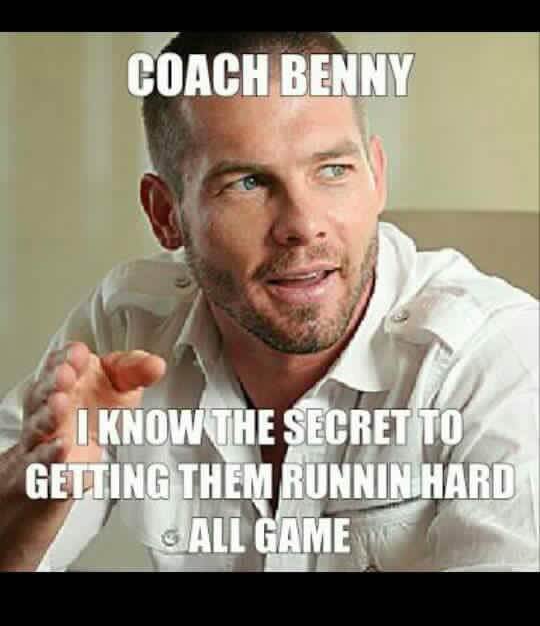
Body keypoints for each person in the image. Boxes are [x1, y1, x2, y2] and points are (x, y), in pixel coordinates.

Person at [0, 31, 538, 572]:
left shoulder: (494, 359)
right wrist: (33, 498)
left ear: (376, 176)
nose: (303, 225)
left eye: (333, 170)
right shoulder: (129, 326)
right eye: (248, 183)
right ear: (166, 214)